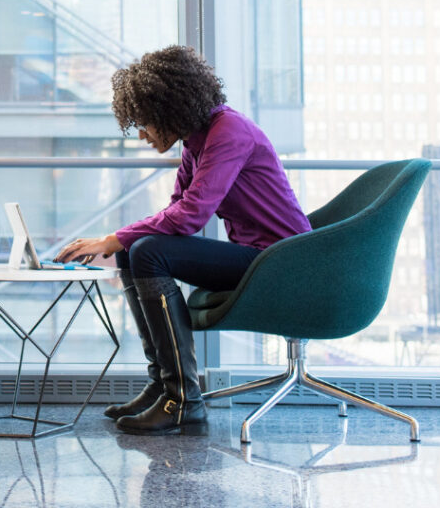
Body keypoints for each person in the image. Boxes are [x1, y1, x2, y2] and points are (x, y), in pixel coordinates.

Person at [56, 45, 311, 436]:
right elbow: (176, 208)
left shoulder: (229, 132)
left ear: (168, 111)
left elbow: (191, 216)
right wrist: (117, 242)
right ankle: (164, 386)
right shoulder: (199, 141)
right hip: (258, 257)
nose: (141, 134)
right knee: (136, 250)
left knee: (146, 249)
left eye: (144, 123)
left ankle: (183, 400)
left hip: (282, 262)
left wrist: (111, 238)